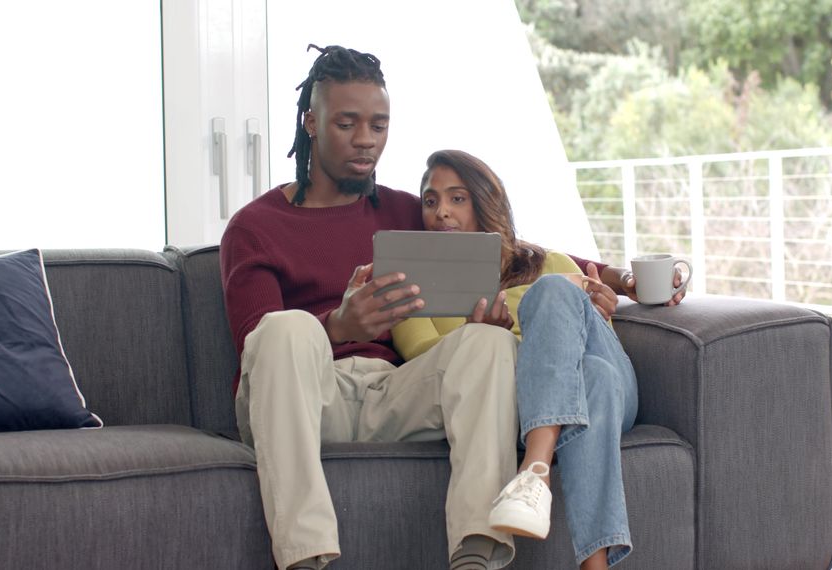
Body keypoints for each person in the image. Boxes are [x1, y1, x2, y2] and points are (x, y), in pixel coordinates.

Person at [220, 45, 523, 570]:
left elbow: (508, 246)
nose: (366, 140)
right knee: (284, 328)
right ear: (311, 122)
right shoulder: (254, 228)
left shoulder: (407, 209)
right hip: (306, 398)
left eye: (379, 125)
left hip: (393, 394)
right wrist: (338, 325)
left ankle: (478, 555)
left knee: (488, 341)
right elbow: (255, 345)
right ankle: (305, 557)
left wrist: (610, 277)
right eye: (348, 123)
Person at [392, 149, 645, 569]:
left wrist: (589, 303)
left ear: (486, 203)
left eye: (457, 199)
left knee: (556, 297)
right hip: (549, 399)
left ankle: (534, 470)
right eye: (430, 200)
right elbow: (423, 362)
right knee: (593, 379)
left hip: (615, 388)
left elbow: (597, 342)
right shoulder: (415, 291)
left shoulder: (551, 263)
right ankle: (595, 565)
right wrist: (480, 339)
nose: (441, 213)